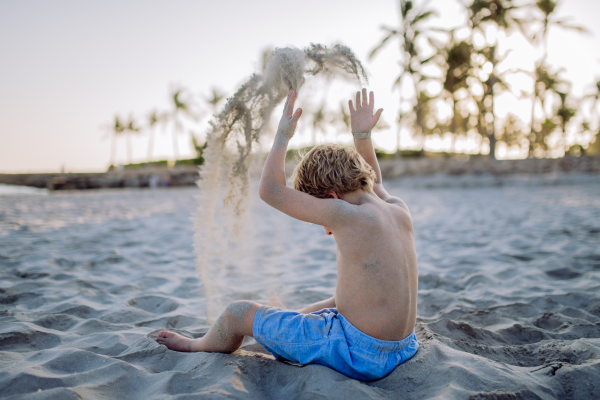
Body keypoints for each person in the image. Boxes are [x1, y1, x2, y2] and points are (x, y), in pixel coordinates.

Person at [156, 89, 419, 381]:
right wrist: (362, 136)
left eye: (321, 216)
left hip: (359, 354)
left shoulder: (346, 215)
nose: (327, 228)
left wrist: (282, 135)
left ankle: (196, 345)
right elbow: (376, 180)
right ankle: (289, 318)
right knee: (334, 302)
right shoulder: (397, 208)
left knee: (237, 313)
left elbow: (270, 190)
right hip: (403, 347)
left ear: (330, 198)